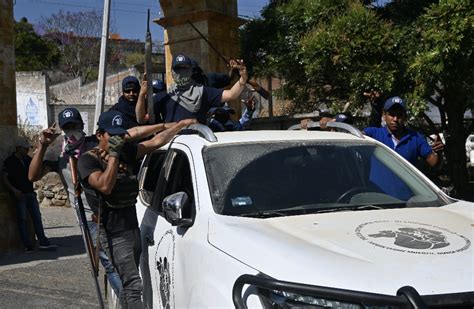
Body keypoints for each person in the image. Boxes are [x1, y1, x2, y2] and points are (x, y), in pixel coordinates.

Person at [28, 107, 178, 296]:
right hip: (90, 217)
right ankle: (127, 297)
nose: (72, 131)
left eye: (75, 126)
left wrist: (165, 126)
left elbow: (132, 134)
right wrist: (42, 146)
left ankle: (127, 297)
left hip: (111, 210)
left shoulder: (96, 143)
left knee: (122, 264)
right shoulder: (58, 152)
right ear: (62, 130)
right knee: (110, 265)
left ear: (83, 126)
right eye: (68, 128)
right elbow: (33, 176)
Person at [77, 110, 195, 309]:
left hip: (132, 226)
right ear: (100, 135)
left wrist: (178, 126)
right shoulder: (88, 161)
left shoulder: (126, 152)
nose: (117, 140)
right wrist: (114, 156)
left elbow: (154, 143)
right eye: (112, 136)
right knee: (132, 284)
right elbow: (105, 186)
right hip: (113, 232)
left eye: (120, 135)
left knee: (129, 283)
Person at [363, 96, 444, 200]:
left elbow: (434, 163)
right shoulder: (373, 133)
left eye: (399, 115)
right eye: (391, 115)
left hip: (406, 201)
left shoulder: (416, 138)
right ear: (384, 115)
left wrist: (439, 152)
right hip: (377, 199)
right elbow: (354, 136)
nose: (395, 119)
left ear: (405, 117)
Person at [136, 54, 249, 124]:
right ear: (172, 72)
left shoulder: (203, 91)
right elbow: (141, 119)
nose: (181, 73)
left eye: (184, 69)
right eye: (178, 69)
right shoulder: (164, 96)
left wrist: (243, 77)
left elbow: (231, 95)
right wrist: (141, 95)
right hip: (175, 148)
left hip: (197, 148)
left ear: (191, 71)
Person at [2, 137, 55, 253]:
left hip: (30, 193)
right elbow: (5, 178)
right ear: (18, 148)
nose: (26, 151)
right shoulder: (9, 161)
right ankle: (27, 245)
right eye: (24, 149)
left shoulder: (28, 160)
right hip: (19, 194)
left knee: (37, 218)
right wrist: (13, 190)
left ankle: (43, 242)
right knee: (22, 219)